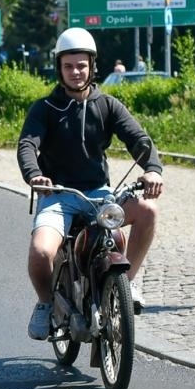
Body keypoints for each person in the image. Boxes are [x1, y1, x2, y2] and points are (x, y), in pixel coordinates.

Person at [17, 27, 163, 339]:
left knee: (148, 210)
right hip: (57, 194)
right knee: (42, 252)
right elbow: (27, 145)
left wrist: (152, 169)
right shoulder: (45, 109)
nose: (75, 72)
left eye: (81, 65)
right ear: (59, 68)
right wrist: (35, 176)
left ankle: (127, 283)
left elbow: (140, 140)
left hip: (99, 194)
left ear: (92, 65)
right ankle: (45, 303)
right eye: (68, 66)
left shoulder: (107, 105)